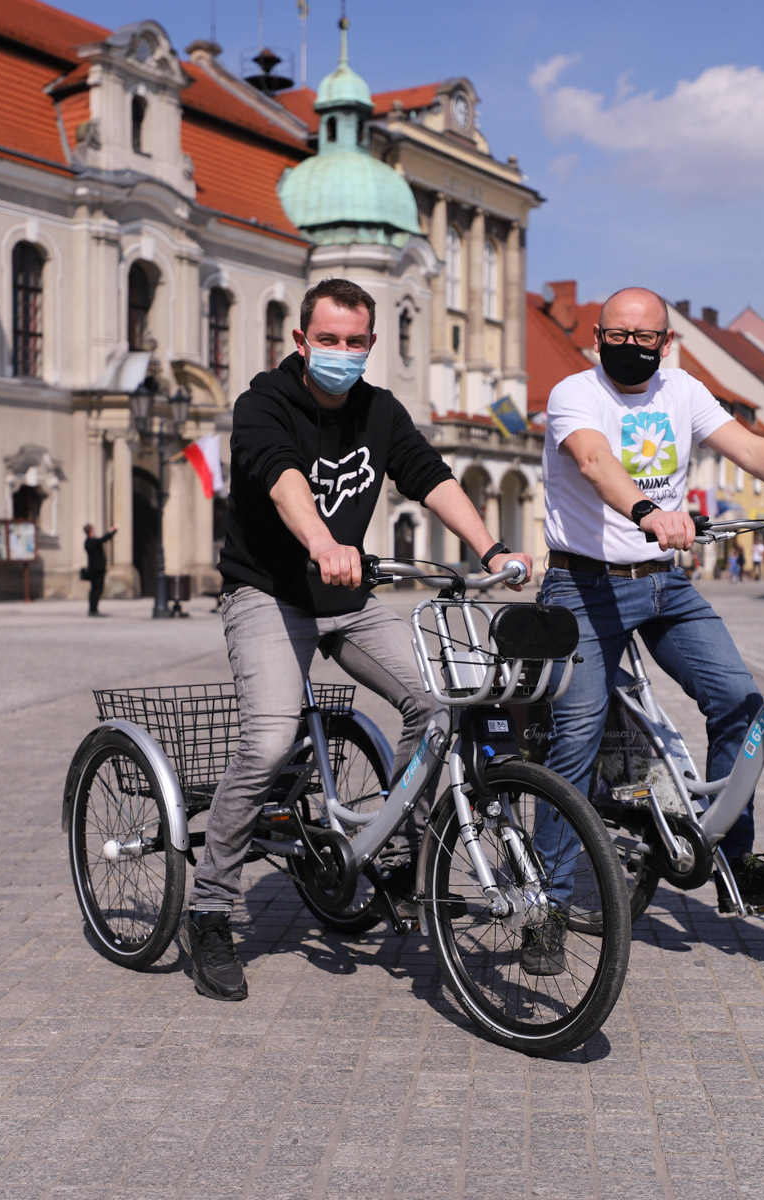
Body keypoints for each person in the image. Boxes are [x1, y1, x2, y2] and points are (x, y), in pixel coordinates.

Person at [185, 278, 531, 1002]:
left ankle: (397, 854)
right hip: (268, 593)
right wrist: (319, 540)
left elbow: (429, 476)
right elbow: (280, 477)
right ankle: (210, 910)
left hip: (349, 597)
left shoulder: (379, 409)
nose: (342, 353)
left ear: (369, 346)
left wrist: (493, 549)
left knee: (440, 704)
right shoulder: (263, 404)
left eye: (355, 342)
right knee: (270, 744)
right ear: (302, 341)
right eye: (329, 339)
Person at [534, 287, 764, 922]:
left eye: (646, 338)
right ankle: (545, 905)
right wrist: (649, 511)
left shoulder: (682, 391)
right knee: (576, 736)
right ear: (598, 337)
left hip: (665, 582)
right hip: (584, 587)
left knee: (741, 704)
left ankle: (732, 862)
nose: (631, 347)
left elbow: (750, 450)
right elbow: (592, 459)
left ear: (667, 343)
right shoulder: (574, 393)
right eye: (619, 336)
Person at [82, 524, 117, 616]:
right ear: (91, 531)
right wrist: (113, 530)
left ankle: (92, 609)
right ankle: (93, 610)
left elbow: (101, 540)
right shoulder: (92, 541)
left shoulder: (87, 542)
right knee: (97, 590)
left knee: (94, 590)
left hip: (93, 569)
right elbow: (103, 539)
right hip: (97, 570)